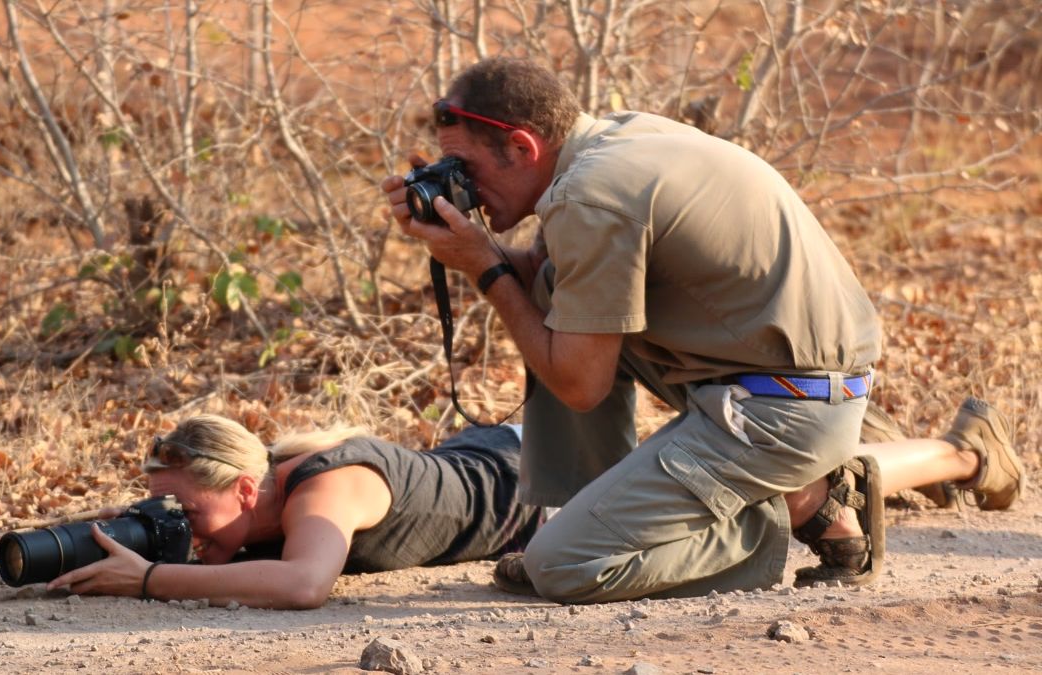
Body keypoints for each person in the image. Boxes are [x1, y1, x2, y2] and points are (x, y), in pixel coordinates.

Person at [381, 57, 1024, 603]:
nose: (464, 186)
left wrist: (485, 268)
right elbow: (561, 280)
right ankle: (598, 510)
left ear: (523, 147)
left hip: (779, 407)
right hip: (779, 372)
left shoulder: (590, 197)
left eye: (465, 169)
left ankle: (785, 508)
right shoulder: (616, 139)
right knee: (547, 294)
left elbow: (578, 384)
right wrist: (472, 245)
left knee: (564, 568)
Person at [46, 415, 543, 608]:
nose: (181, 525)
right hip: (476, 450)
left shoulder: (322, 485)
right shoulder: (256, 495)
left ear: (245, 489)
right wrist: (131, 532)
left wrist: (150, 577)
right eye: (167, 509)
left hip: (534, 477)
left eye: (187, 512)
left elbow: (304, 584)